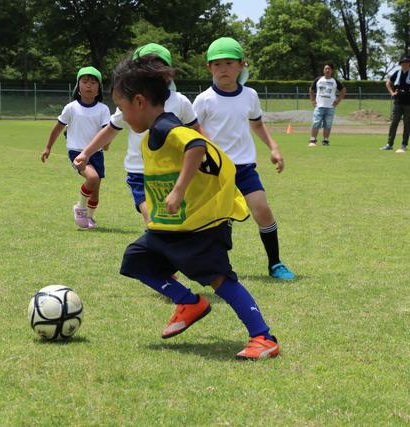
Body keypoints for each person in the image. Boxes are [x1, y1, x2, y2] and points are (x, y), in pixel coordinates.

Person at [113, 55, 280, 360]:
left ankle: (263, 336)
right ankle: (188, 302)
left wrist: (177, 191)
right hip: (171, 225)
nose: (122, 116)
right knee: (135, 259)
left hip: (200, 225)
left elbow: (196, 145)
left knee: (219, 279)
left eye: (122, 108)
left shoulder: (166, 126)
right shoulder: (153, 132)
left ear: (139, 102)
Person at [192, 37, 295, 280]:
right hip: (214, 170)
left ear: (241, 65)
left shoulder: (249, 95)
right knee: (218, 221)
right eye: (217, 64)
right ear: (209, 68)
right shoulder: (204, 99)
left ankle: (275, 263)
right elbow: (191, 129)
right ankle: (219, 268)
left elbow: (257, 124)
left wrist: (274, 147)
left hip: (245, 167)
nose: (223, 69)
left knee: (262, 210)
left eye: (229, 63)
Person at [74, 43, 202, 225]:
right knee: (152, 219)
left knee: (175, 221)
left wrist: (212, 155)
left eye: (157, 69)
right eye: (144, 69)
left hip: (171, 171)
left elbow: (197, 132)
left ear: (169, 74)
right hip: (139, 172)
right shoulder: (130, 101)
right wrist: (86, 153)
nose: (151, 74)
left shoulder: (180, 101)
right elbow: (111, 128)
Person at [41, 66, 110, 229]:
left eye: (93, 83)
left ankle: (90, 218)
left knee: (96, 190)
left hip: (97, 153)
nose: (89, 86)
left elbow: (107, 130)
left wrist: (107, 144)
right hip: (77, 152)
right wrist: (48, 147)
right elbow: (58, 127)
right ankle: (80, 208)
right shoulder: (71, 108)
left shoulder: (103, 109)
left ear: (98, 88)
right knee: (92, 178)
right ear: (78, 86)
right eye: (85, 82)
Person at [380, 56, 410, 153]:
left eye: (407, 62)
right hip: (398, 102)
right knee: (394, 123)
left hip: (409, 103)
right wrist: (392, 93)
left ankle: (404, 144)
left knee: (407, 124)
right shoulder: (397, 73)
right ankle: (389, 144)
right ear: (400, 63)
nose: (405, 64)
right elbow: (388, 83)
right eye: (403, 62)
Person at [308, 63, 346, 147]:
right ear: (323, 70)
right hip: (319, 106)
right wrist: (313, 101)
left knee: (328, 124)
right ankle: (313, 140)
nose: (327, 70)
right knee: (316, 123)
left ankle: (325, 140)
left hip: (330, 107)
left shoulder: (335, 81)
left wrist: (337, 101)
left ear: (332, 71)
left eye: (329, 69)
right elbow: (311, 89)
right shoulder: (318, 79)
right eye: (326, 69)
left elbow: (343, 90)